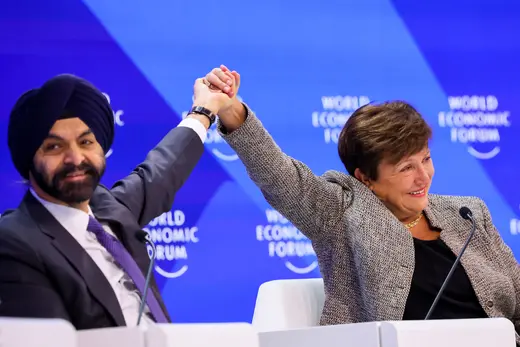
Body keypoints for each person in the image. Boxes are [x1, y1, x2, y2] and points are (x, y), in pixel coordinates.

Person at [204, 65, 520, 343]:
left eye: (426, 159)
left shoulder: (468, 215)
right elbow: (281, 177)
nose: (423, 177)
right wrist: (233, 111)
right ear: (366, 178)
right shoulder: (343, 214)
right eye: (406, 168)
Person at [0, 74, 231, 329]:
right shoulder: (15, 241)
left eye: (86, 142)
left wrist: (204, 110)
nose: (75, 158)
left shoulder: (105, 207)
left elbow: (162, 171)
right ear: (28, 160)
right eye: (54, 147)